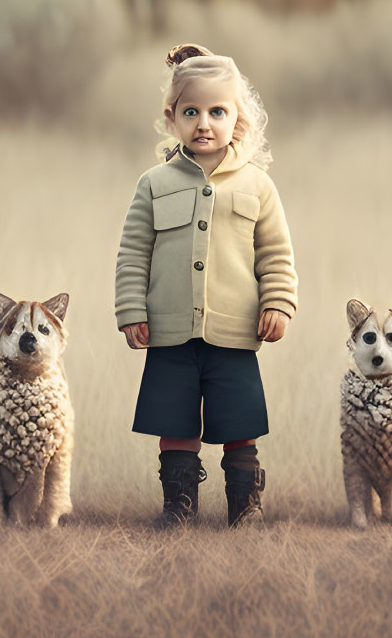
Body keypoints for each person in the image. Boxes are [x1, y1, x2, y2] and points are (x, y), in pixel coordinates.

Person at [114, 44, 297, 528]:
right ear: (172, 118)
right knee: (173, 422)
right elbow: (133, 252)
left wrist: (278, 302)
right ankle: (178, 504)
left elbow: (276, 254)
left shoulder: (257, 185)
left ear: (237, 119)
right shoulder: (154, 183)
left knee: (239, 423)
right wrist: (132, 309)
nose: (204, 123)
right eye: (191, 112)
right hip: (170, 331)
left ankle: (245, 504)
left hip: (235, 330)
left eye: (218, 112)